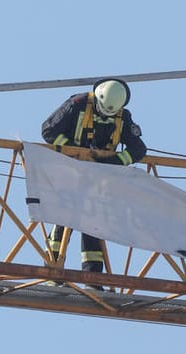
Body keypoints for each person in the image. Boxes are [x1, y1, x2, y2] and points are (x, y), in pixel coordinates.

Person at [40, 78, 147, 281]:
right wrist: (75, 150)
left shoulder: (123, 116)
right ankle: (52, 272)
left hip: (98, 181)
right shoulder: (77, 105)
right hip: (69, 174)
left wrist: (114, 162)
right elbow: (48, 131)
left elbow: (138, 149)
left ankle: (92, 278)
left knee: (95, 224)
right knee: (63, 221)